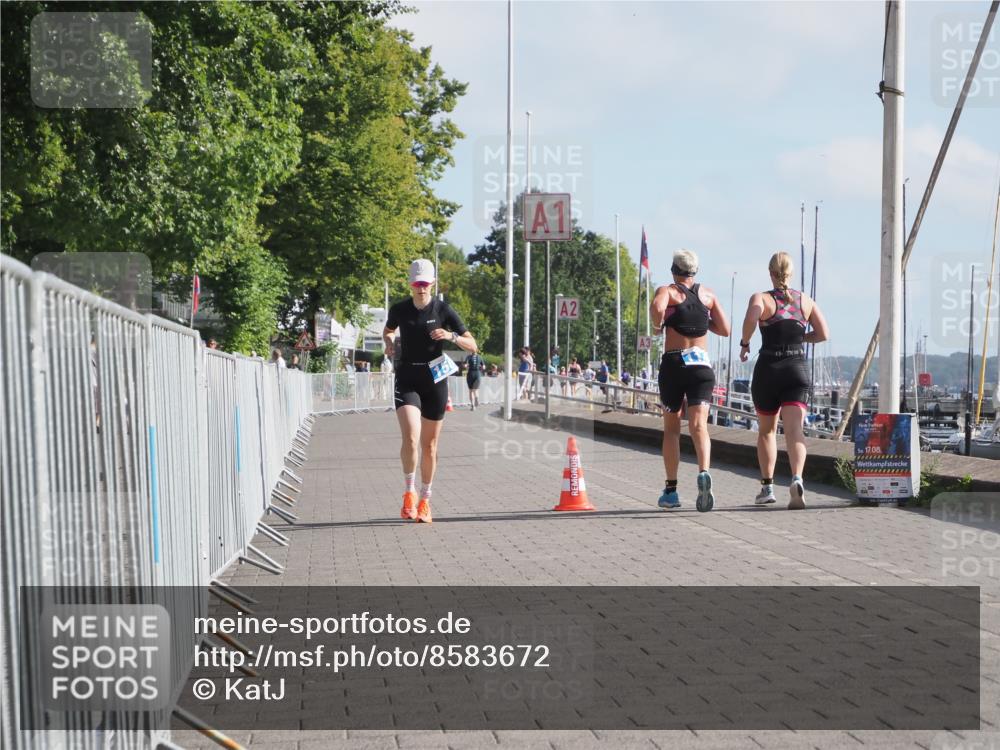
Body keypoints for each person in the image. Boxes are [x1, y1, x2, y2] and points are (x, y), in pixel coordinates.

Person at [383, 258, 478, 523]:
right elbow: (388, 330)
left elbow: (473, 345)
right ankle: (409, 492)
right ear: (410, 284)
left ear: (432, 283)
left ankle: (425, 499)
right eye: (417, 283)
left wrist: (451, 337)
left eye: (425, 283)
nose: (421, 288)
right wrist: (389, 342)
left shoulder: (443, 310)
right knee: (412, 437)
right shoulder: (400, 309)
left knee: (430, 445)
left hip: (435, 379)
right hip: (407, 376)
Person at [739, 251, 828, 509]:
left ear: (770, 273)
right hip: (796, 368)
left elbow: (751, 319)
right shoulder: (805, 301)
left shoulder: (762, 298)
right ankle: (797, 478)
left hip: (769, 368)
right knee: (794, 431)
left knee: (767, 431)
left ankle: (767, 487)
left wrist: (745, 343)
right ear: (790, 273)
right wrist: (802, 338)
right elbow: (823, 333)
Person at [650, 248, 730, 512]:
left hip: (674, 364)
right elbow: (725, 329)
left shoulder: (669, 290)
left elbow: (657, 307)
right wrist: (701, 323)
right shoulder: (708, 295)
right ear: (695, 272)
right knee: (699, 427)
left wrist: (657, 323)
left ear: (674, 270)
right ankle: (704, 471)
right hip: (702, 367)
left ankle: (671, 491)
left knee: (672, 429)